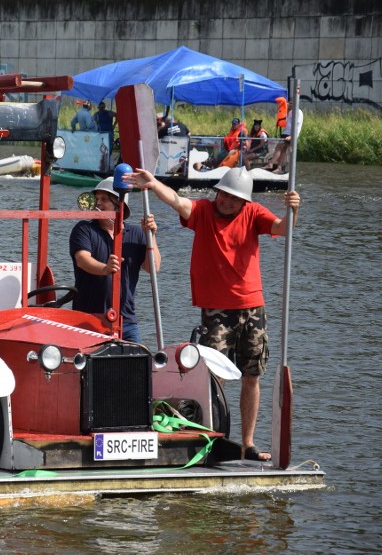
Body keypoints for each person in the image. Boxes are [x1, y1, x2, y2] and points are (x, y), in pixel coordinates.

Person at [123, 166, 300, 462]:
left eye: (233, 198)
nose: (226, 202)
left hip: (252, 306)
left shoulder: (254, 213)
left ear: (244, 201)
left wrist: (293, 210)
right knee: (214, 376)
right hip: (217, 309)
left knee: (251, 375)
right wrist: (153, 184)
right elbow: (178, 202)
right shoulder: (204, 211)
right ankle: (212, 437)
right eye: (223, 195)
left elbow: (283, 229)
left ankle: (247, 444)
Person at [69, 173, 161, 343]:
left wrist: (151, 236)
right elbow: (82, 259)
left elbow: (153, 267)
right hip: (88, 318)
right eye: (97, 199)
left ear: (119, 205)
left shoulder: (136, 234)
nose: (98, 204)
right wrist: (105, 268)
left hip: (126, 319)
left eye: (104, 199)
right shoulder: (84, 229)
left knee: (137, 363)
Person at [264, 107, 303, 173]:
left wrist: (292, 136)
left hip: (291, 134)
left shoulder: (298, 112)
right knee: (283, 150)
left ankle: (270, 164)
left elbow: (297, 125)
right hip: (285, 133)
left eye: (292, 103)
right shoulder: (290, 111)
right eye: (289, 103)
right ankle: (279, 168)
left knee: (278, 147)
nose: (290, 104)